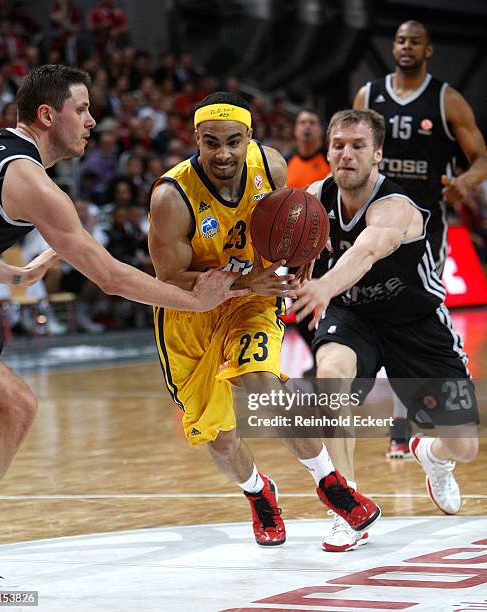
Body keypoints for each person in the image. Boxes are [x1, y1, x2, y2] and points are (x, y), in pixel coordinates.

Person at [0, 64, 244, 590]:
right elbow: (112, 278)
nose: (94, 120)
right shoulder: (32, 182)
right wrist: (198, 303)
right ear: (47, 116)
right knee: (15, 407)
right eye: (82, 109)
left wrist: (14, 272)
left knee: (10, 405)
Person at [149, 92, 380, 550]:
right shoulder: (170, 197)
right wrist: (246, 281)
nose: (223, 153)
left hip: (250, 304)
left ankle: (330, 484)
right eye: (211, 142)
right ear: (195, 138)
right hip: (188, 313)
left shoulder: (270, 166)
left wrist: (304, 254)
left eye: (233, 141)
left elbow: (292, 223)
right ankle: (258, 492)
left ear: (249, 138)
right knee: (220, 439)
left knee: (263, 385)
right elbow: (171, 277)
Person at [292, 109, 479, 552]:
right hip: (354, 317)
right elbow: (295, 255)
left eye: (357, 146)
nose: (345, 154)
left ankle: (432, 456)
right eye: (338, 145)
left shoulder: (397, 207)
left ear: (378, 154)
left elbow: (366, 251)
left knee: (464, 445)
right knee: (331, 375)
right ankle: (346, 505)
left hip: (416, 323)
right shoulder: (314, 199)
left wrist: (323, 286)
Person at [353, 20, 487, 458]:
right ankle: (396, 422)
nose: (405, 46)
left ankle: (407, 422)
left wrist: (465, 183)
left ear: (428, 50)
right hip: (374, 222)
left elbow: (481, 157)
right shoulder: (369, 97)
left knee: (416, 313)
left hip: (425, 229)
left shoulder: (447, 98)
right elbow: (347, 148)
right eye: (399, 40)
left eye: (414, 41)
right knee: (377, 314)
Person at [286, 109, 331, 369]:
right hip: (298, 247)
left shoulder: (329, 159)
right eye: (301, 122)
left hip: (329, 244)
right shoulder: (288, 162)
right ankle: (318, 357)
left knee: (334, 303)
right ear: (294, 130)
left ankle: (336, 357)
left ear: (320, 129)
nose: (306, 127)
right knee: (300, 306)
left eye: (312, 122)